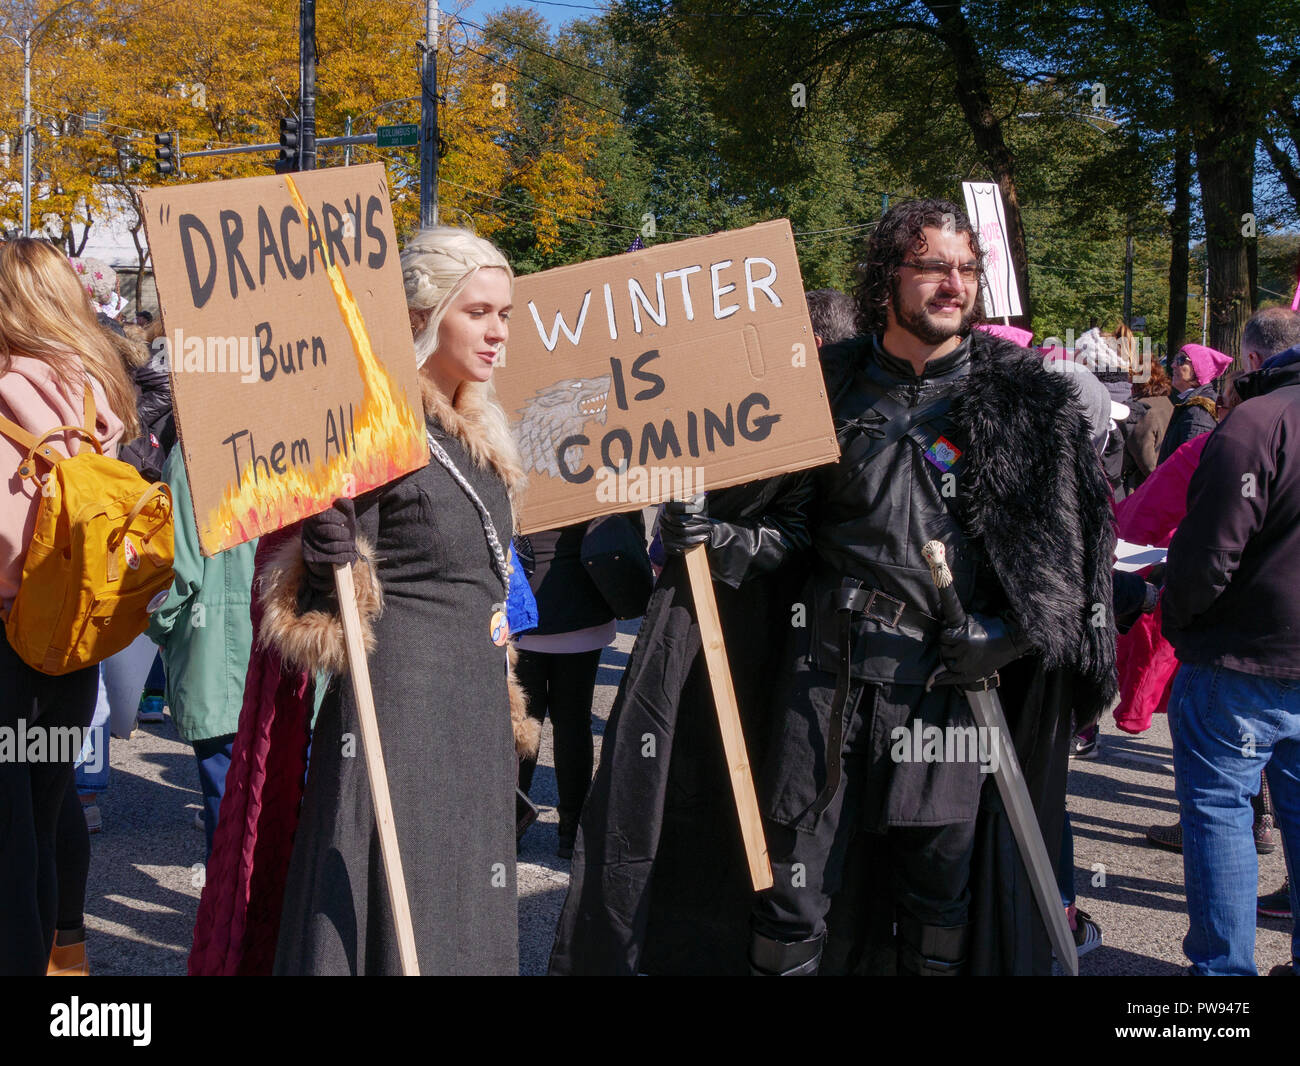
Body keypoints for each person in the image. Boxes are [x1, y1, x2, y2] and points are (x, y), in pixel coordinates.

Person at [550, 199, 1115, 976]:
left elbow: (1058, 567)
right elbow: (792, 532)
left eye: (966, 269)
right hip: (822, 687)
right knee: (790, 899)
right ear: (888, 277)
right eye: (933, 267)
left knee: (938, 903)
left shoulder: (1027, 402)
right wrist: (719, 539)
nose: (954, 284)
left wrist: (1004, 636)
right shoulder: (822, 386)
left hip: (949, 695)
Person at [257, 226, 533, 975]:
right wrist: (322, 557)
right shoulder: (375, 422)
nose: (498, 332)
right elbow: (318, 604)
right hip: (398, 712)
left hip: (473, 708)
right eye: (478, 312)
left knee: (462, 903)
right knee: (392, 903)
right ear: (422, 314)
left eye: (505, 314)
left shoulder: (481, 431)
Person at [0, 237, 133, 976]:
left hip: (5, 633)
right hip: (71, 641)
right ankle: (61, 969)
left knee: (9, 839)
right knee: (45, 823)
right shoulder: (93, 398)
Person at [1162, 336, 1300, 976]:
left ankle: (1222, 984)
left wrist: (1178, 618)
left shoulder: (1256, 422)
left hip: (1241, 658)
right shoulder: (1258, 423)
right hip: (1257, 655)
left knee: (1219, 817)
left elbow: (1212, 551)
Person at [1156, 342, 1232, 465]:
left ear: (1199, 367)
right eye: (1175, 359)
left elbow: (1189, 464)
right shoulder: (1194, 405)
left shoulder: (1199, 410)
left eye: (1181, 360)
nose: (1173, 365)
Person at [1123, 364, 1174, 491]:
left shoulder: (1143, 409)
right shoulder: (1168, 403)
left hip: (1143, 486)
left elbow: (1146, 459)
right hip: (1164, 477)